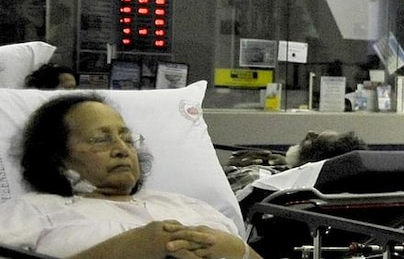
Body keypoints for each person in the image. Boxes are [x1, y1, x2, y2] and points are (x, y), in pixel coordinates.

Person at [0, 94, 263, 259]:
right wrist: (123, 250)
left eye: (127, 138)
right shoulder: (33, 212)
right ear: (57, 158)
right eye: (101, 139)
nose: (122, 150)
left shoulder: (190, 207)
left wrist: (239, 251)